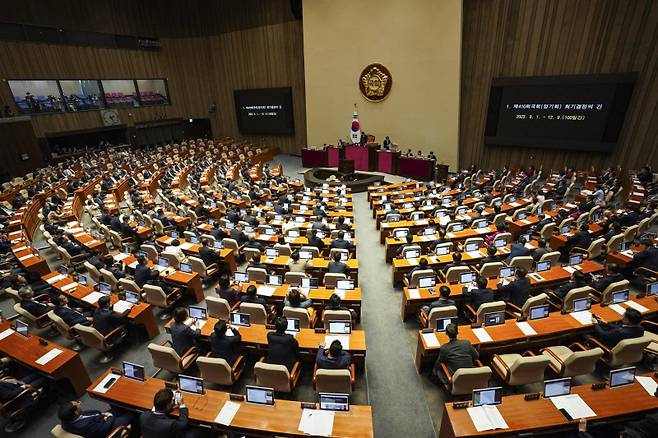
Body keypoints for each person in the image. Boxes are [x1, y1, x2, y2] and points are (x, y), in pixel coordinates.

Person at [58, 400, 134, 438]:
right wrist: (110, 417)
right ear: (76, 412)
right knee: (131, 414)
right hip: (108, 430)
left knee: (118, 407)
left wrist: (101, 414)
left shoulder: (66, 420)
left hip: (99, 421)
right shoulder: (84, 426)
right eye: (78, 404)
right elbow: (104, 429)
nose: (80, 403)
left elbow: (90, 413)